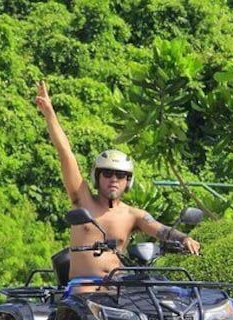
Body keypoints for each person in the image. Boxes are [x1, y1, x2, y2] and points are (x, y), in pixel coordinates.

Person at [35, 80, 200, 286]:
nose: (114, 179)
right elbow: (65, 154)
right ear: (97, 177)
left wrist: (184, 239)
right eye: (107, 173)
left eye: (120, 175)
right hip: (84, 289)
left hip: (119, 290)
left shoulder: (133, 215)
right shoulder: (83, 200)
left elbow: (162, 230)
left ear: (127, 181)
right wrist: (49, 113)